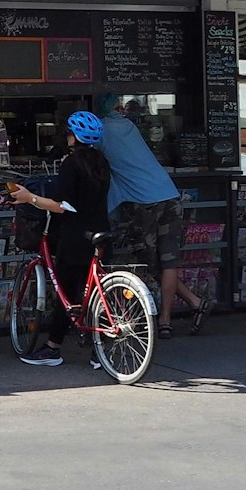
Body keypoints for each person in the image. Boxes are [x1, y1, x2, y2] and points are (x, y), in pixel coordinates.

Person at [97, 93, 212, 336]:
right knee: (168, 261)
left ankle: (157, 316)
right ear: (119, 107)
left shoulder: (101, 132)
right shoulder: (129, 126)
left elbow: (91, 157)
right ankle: (172, 317)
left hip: (142, 201)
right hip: (169, 194)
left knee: (147, 262)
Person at [9, 111, 111, 367]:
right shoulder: (101, 161)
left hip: (76, 235)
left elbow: (61, 205)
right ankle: (98, 352)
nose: (66, 136)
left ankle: (52, 348)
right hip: (100, 231)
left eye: (68, 132)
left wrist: (28, 197)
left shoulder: (72, 163)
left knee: (66, 292)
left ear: (75, 136)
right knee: (90, 292)